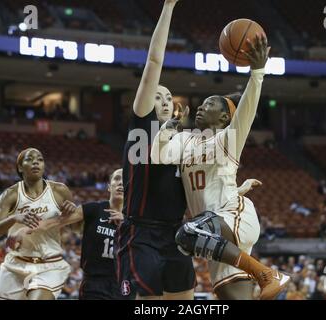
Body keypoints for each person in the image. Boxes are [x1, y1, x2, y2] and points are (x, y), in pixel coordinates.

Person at [152, 34, 290, 300]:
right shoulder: (185, 140)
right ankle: (263, 275)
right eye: (201, 104)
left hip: (230, 217)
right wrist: (168, 128)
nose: (201, 107)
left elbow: (247, 110)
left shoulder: (227, 138)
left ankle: (267, 274)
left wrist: (257, 72)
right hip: (212, 237)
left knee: (186, 234)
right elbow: (158, 156)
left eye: (209, 104)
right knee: (232, 296)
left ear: (226, 117)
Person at [115, 0, 195, 300]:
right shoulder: (141, 127)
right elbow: (154, 63)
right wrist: (169, 7)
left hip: (176, 234)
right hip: (141, 234)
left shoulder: (184, 143)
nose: (163, 100)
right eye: (157, 95)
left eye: (168, 97)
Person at [9, 169, 125, 300]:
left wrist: (127, 224)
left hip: (124, 285)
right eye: (116, 179)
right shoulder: (94, 209)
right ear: (109, 187)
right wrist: (24, 230)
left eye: (124, 179)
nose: (120, 183)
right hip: (95, 284)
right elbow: (53, 222)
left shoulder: (135, 220)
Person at [0, 148, 74, 300]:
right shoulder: (10, 194)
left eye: (39, 159)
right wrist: (14, 218)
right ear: (20, 167)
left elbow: (75, 228)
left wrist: (72, 214)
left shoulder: (60, 191)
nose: (35, 162)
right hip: (16, 265)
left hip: (49, 265)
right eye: (29, 159)